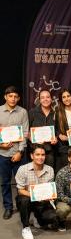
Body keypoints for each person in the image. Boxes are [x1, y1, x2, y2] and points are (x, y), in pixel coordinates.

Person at [15, 145, 58, 239]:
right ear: (31, 156)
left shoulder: (50, 170)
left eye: (43, 155)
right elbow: (20, 190)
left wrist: (50, 196)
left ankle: (36, 216)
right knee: (23, 200)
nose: (40, 157)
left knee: (52, 218)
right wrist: (35, 195)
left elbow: (50, 189)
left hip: (42, 202)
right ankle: (25, 227)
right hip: (27, 199)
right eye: (37, 154)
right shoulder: (23, 169)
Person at [0, 86, 29, 219]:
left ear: (18, 98)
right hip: (2, 154)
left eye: (15, 96)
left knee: (21, 182)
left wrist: (20, 151)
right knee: (5, 182)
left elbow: (25, 133)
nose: (13, 99)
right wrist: (1, 145)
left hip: (19, 155)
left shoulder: (23, 112)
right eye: (10, 96)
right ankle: (8, 207)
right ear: (5, 97)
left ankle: (22, 205)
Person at [28, 89, 57, 168]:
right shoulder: (32, 112)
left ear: (51, 99)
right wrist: (33, 139)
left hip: (49, 151)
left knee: (49, 175)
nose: (45, 99)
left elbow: (57, 131)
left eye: (48, 97)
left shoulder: (56, 113)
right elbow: (26, 131)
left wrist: (56, 139)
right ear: (39, 100)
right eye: (42, 97)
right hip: (35, 151)